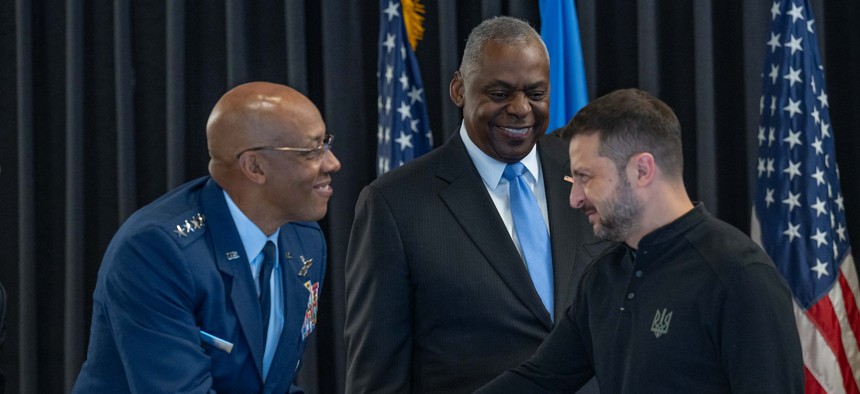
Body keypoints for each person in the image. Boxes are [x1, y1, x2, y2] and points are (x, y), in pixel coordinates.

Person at [477, 88, 804, 393]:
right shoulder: (603, 278)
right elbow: (539, 379)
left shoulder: (740, 277)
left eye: (585, 178)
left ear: (642, 170)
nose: (574, 199)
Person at [344, 16, 606, 393]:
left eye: (536, 94)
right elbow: (377, 374)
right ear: (458, 89)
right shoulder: (394, 204)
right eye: (500, 94)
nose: (520, 109)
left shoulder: (587, 173)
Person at [73, 82, 341, 393]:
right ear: (254, 166)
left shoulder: (303, 237)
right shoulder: (156, 251)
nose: (332, 163)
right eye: (312, 150)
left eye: (327, 143)